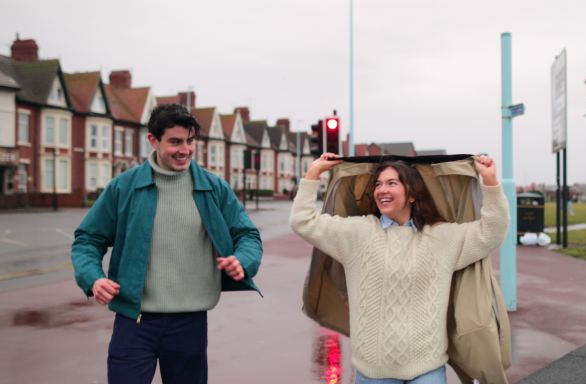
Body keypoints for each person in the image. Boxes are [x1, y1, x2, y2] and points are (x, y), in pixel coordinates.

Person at [71, 103, 263, 384]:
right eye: (175, 142)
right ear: (153, 140)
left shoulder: (214, 187)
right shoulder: (123, 187)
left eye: (190, 141)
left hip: (190, 324)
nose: (184, 150)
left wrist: (242, 261)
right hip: (133, 322)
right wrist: (93, 278)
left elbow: (248, 236)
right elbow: (87, 239)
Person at [290, 153, 510, 383]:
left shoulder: (442, 238)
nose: (381, 190)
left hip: (428, 369)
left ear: (412, 194)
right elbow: (303, 221)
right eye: (378, 184)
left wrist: (491, 182)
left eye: (391, 183)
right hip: (373, 372)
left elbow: (491, 231)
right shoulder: (357, 234)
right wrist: (313, 173)